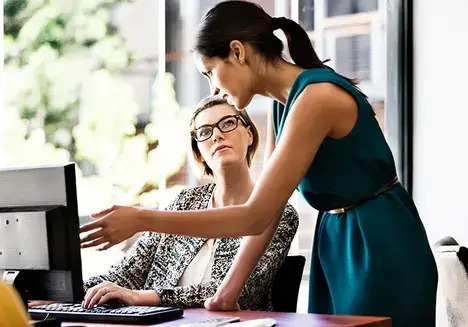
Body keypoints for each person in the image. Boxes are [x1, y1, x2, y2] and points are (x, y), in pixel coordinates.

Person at [80, 1, 437, 325]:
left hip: (378, 243)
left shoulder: (317, 98)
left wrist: (141, 218)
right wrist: (228, 292)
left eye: (210, 72)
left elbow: (255, 215)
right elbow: (269, 206)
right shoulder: (287, 103)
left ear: (237, 52)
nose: (213, 90)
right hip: (337, 242)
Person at [81, 95, 298, 310]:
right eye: (205, 132)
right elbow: (125, 274)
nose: (217, 135)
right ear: (199, 152)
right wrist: (59, 293)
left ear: (249, 134)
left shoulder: (280, 213)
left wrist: (142, 297)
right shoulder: (184, 203)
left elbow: (238, 293)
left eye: (228, 123)